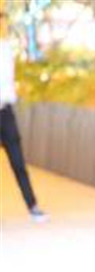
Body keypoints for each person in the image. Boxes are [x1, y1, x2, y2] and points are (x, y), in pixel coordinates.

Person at [0, 10, 48, 223]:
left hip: (5, 112)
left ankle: (33, 205)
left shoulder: (5, 49)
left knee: (18, 161)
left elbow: (8, 83)